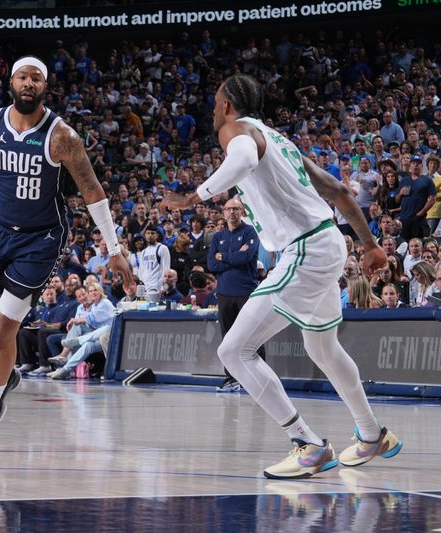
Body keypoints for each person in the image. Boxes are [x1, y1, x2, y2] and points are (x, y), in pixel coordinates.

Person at [162, 74, 400, 479]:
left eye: (216, 101)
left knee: (233, 351)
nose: (214, 109)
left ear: (227, 106)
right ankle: (372, 433)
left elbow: (238, 160)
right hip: (327, 242)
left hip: (306, 248)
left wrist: (191, 197)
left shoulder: (236, 130)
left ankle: (306, 444)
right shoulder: (281, 140)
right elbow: (338, 189)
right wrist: (370, 244)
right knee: (322, 349)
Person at [0, 56, 133, 454]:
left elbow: (92, 190)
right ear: (11, 82)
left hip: (41, 239)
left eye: (36, 78)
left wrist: (115, 249)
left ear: (44, 86)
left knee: (4, 328)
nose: (28, 83)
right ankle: (4, 376)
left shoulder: (62, 137)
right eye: (22, 76)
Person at [207, 198, 263, 393]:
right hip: (224, 294)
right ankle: (231, 378)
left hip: (246, 292)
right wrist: (235, 256)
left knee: (252, 336)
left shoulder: (250, 232)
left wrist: (224, 257)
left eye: (236, 209)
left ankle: (260, 379)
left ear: (242, 212)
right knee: (228, 338)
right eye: (229, 209)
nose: (232, 212)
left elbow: (247, 257)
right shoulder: (217, 237)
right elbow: (211, 265)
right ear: (223, 212)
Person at [136, 224, 171, 300]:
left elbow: (166, 269)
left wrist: (163, 288)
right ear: (145, 235)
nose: (150, 235)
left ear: (157, 235)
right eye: (148, 233)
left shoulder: (162, 248)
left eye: (152, 233)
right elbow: (141, 271)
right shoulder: (143, 252)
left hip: (157, 288)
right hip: (145, 289)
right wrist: (141, 288)